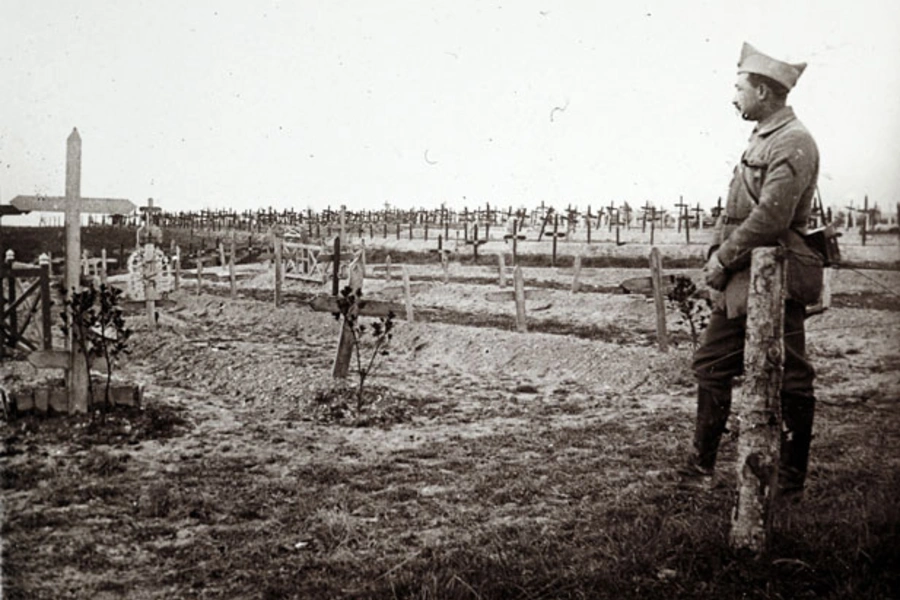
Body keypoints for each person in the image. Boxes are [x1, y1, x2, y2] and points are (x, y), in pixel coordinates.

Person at [679, 42, 825, 501]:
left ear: (762, 90)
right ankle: (701, 466)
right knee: (711, 363)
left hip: (774, 275)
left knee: (792, 375)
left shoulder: (793, 140)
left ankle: (790, 482)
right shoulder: (764, 135)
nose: (734, 96)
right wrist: (716, 251)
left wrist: (723, 259)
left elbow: (771, 219)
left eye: (739, 87)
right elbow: (739, 213)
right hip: (746, 277)